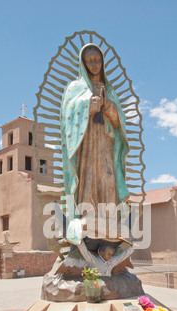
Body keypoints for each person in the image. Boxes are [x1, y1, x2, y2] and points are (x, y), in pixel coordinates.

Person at [61, 43, 130, 227]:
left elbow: (119, 123)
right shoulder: (74, 88)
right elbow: (67, 115)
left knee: (108, 175)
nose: (94, 64)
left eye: (97, 59)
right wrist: (87, 106)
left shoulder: (110, 90)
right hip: (86, 144)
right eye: (89, 60)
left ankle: (109, 218)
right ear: (82, 63)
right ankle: (87, 215)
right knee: (89, 176)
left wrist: (111, 109)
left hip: (107, 142)